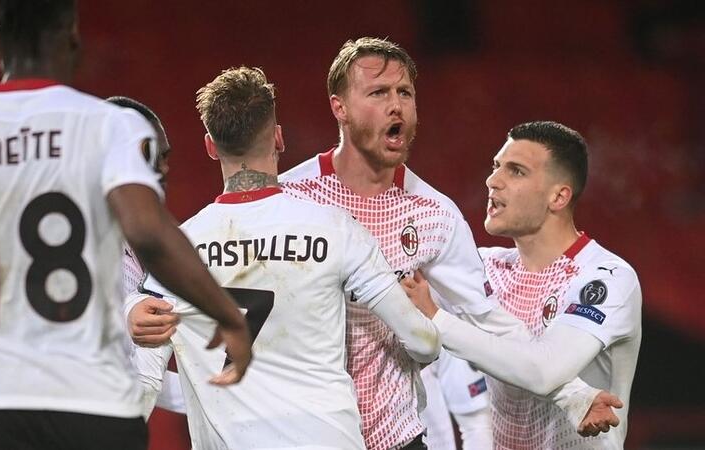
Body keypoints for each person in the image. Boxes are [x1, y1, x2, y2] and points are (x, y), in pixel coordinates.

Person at [128, 37, 621, 448]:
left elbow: (485, 318)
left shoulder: (434, 214)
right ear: (339, 108)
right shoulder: (291, 199)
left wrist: (572, 393)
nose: (396, 105)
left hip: (396, 437)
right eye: (379, 92)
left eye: (405, 92)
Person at [0, 2, 250, 449]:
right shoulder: (110, 127)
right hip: (94, 401)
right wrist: (227, 314)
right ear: (72, 36)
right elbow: (148, 232)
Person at [125, 66, 442, 449]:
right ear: (278, 138)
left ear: (210, 146)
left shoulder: (176, 250)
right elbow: (423, 341)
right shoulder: (337, 228)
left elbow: (145, 379)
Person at [403, 121, 642, 448]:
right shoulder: (484, 267)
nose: (493, 181)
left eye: (516, 171)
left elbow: (543, 370)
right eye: (496, 166)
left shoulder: (605, 278)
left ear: (558, 196)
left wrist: (437, 320)